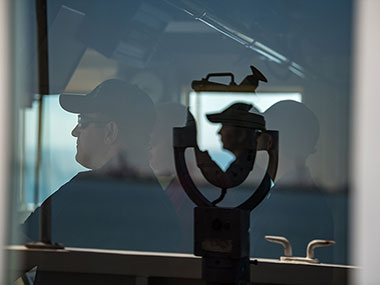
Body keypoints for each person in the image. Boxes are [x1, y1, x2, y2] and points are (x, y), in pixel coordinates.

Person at [23, 79, 181, 252]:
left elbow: (16, 252)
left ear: (110, 132)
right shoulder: (159, 203)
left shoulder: (87, 190)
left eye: (82, 121)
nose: (74, 131)